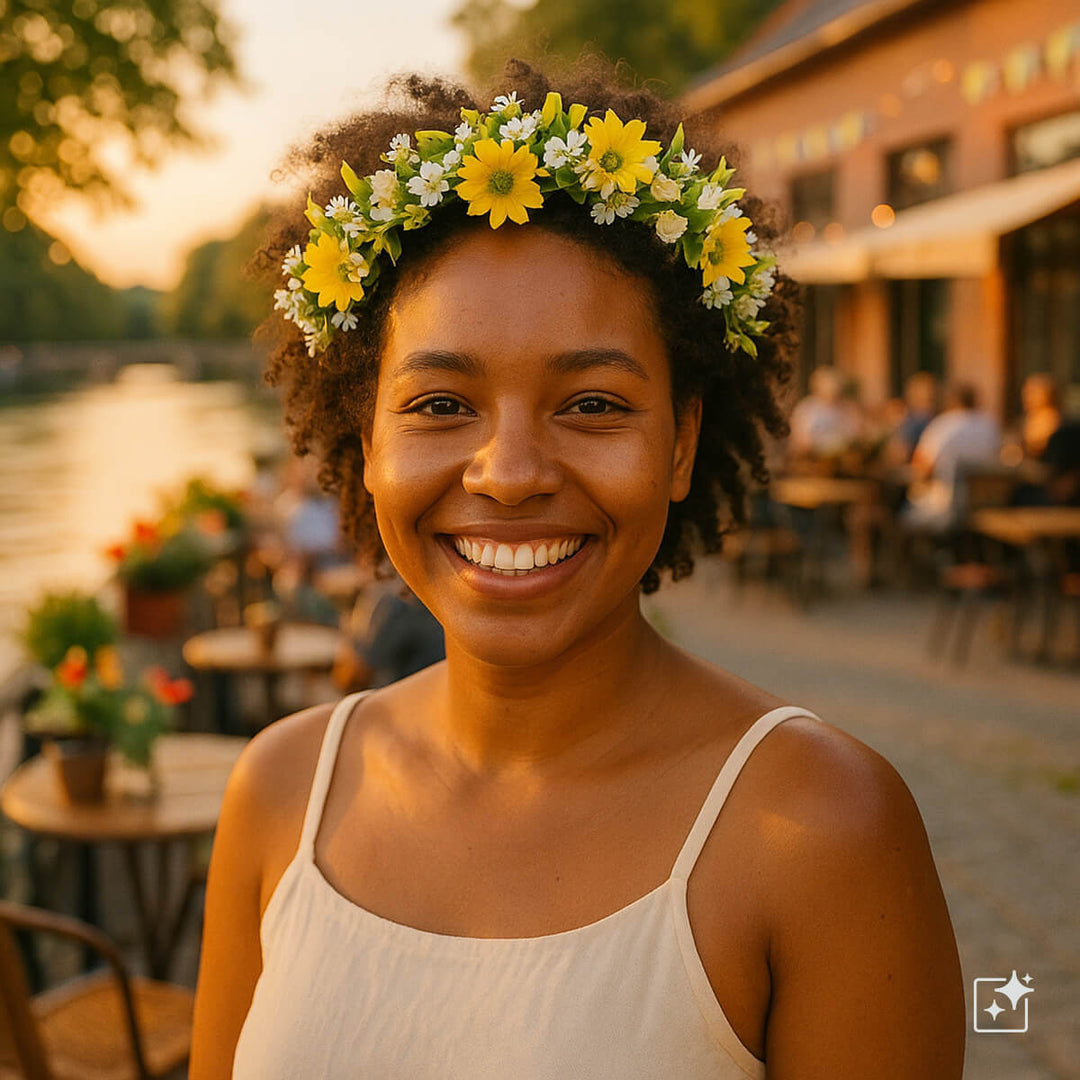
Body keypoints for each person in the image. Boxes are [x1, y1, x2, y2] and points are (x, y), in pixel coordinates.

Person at [191, 63, 964, 1078]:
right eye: (439, 405)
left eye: (593, 404)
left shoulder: (822, 831)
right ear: (364, 439)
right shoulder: (281, 791)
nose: (508, 475)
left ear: (682, 444)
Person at [902, 381, 1001, 532]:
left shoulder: (944, 425)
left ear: (952, 401)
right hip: (987, 504)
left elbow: (922, 468)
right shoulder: (990, 425)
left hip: (945, 506)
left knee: (902, 508)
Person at [786, 364, 862, 463]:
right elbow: (801, 440)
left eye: (834, 386)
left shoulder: (845, 408)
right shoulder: (806, 409)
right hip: (814, 460)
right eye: (828, 386)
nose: (832, 390)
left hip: (841, 458)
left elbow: (854, 433)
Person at [1019, 372, 1062, 460]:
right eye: (1026, 392)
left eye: (1032, 392)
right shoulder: (1030, 418)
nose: (1027, 396)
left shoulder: (1051, 420)